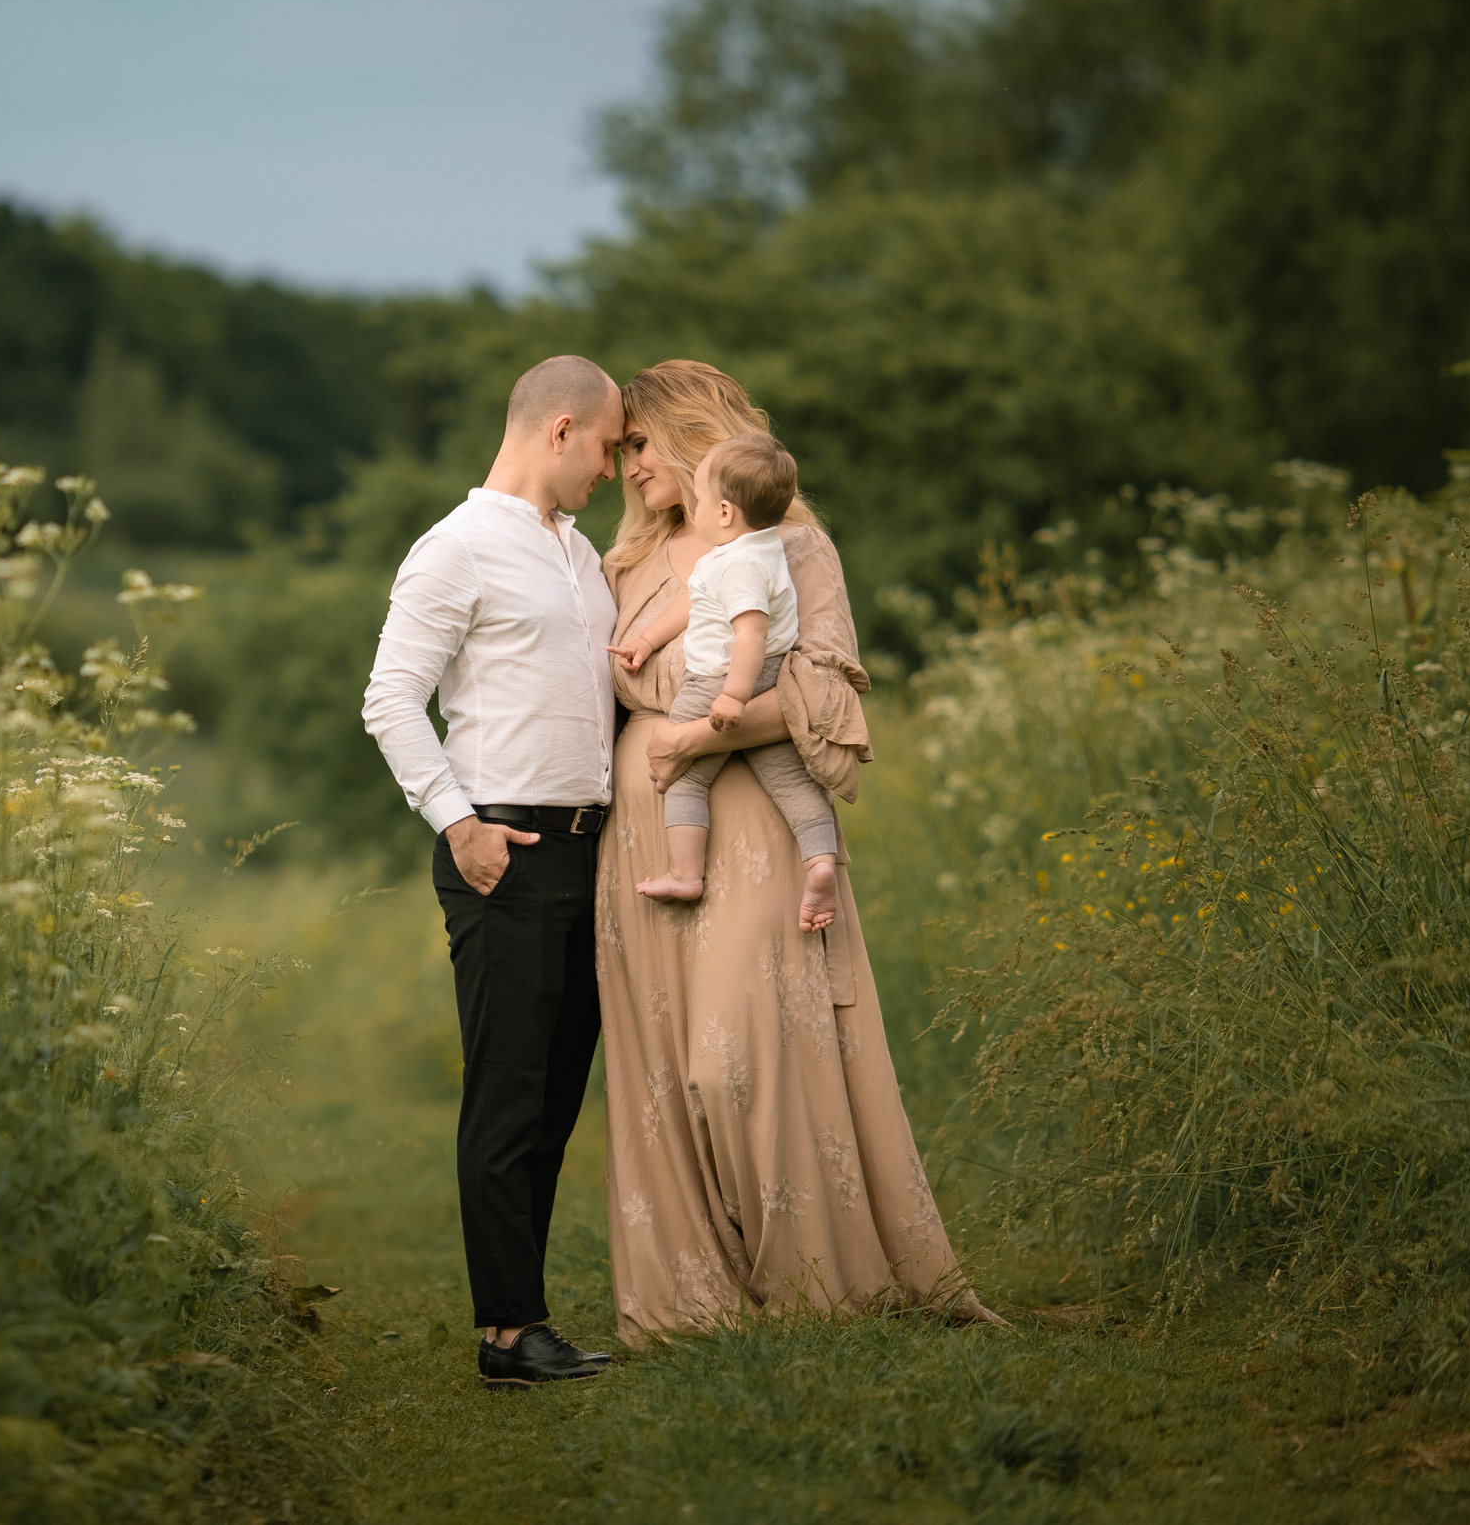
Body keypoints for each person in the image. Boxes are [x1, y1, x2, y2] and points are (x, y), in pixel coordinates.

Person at [593, 359, 999, 1341]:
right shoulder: (621, 562)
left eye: (638, 444)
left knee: (732, 1061)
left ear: (691, 433)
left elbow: (824, 696)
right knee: (662, 1076)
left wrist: (697, 735)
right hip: (646, 827)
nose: (626, 468)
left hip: (762, 830)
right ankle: (696, 1295)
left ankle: (817, 1281)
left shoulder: (793, 544)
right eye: (616, 451)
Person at [360, 354, 625, 1390]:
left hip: (587, 850)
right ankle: (508, 1331)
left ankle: (526, 1314)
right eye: (606, 446)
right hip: (501, 852)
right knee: (510, 1092)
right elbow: (390, 698)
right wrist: (456, 819)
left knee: (557, 1095)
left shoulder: (579, 549)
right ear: (560, 430)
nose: (610, 467)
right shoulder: (453, 548)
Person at [609, 432, 842, 929]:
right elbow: (692, 605)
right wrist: (646, 641)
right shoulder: (755, 551)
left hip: (720, 681)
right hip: (758, 679)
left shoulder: (736, 564)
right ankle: (820, 862)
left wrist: (733, 696)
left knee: (686, 775)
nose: (694, 504)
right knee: (794, 781)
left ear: (724, 512)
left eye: (699, 495)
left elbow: (751, 632)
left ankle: (685, 872)